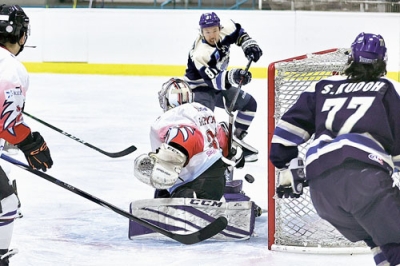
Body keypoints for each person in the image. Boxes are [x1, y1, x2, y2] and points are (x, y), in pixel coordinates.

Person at [269, 32, 400, 265]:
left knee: (378, 238)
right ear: (382, 63)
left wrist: (288, 165)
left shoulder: (323, 85)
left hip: (322, 194)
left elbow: (284, 135)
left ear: (351, 59)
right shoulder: (387, 88)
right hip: (365, 181)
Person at [0, 5, 53, 265]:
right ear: (21, 34)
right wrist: (30, 142)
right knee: (6, 203)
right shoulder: (10, 68)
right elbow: (7, 123)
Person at [134, 77, 245, 200]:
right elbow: (224, 142)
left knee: (171, 192)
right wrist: (235, 153)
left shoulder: (171, 118)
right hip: (218, 177)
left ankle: (188, 199)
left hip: (195, 181)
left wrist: (166, 158)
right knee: (162, 192)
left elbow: (188, 136)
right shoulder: (204, 111)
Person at [183, 12, 263, 162]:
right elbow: (214, 81)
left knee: (249, 104)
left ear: (219, 28)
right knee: (206, 123)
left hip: (218, 85)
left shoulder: (227, 27)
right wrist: (234, 75)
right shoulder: (201, 53)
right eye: (207, 32)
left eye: (214, 30)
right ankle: (203, 155)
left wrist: (248, 45)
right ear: (201, 32)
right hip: (199, 89)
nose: (212, 35)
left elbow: (240, 34)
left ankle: (234, 141)